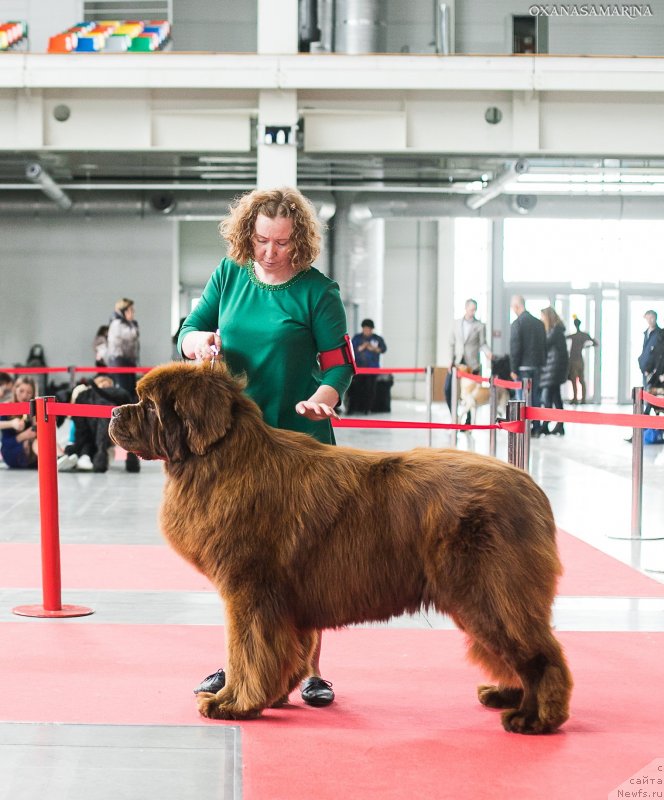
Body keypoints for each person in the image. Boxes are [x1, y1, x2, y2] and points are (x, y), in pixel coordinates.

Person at [177, 186, 355, 707]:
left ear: (298, 241)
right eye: (261, 240)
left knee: (306, 561)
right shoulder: (230, 274)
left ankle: (311, 671)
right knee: (240, 560)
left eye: (280, 243)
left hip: (301, 440)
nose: (269, 252)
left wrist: (325, 394)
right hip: (237, 444)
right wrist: (198, 343)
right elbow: (191, 329)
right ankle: (242, 663)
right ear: (247, 235)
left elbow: (341, 364)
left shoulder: (318, 291)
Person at [57, 375, 138, 473]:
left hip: (101, 440)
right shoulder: (85, 396)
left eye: (109, 387)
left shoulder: (91, 397)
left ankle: (84, 459)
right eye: (103, 385)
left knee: (102, 449)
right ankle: (82, 458)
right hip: (90, 439)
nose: (106, 388)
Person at [446, 298, 493, 423]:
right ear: (466, 308)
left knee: (471, 394)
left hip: (473, 364)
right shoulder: (456, 324)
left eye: (474, 310)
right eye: (471, 309)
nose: (473, 312)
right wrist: (450, 360)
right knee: (448, 388)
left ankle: (468, 422)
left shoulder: (480, 326)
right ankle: (454, 416)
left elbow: (483, 343)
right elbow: (452, 343)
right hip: (458, 362)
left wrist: (488, 352)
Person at [509, 295, 547, 437]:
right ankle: (536, 427)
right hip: (537, 366)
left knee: (522, 399)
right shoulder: (539, 324)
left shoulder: (517, 324)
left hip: (522, 368)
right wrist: (542, 363)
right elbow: (544, 345)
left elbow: (515, 348)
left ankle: (524, 427)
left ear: (517, 306)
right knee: (536, 397)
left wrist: (513, 368)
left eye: (513, 306)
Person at [540, 307, 569, 436]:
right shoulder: (556, 330)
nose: (542, 320)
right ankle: (559, 425)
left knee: (547, 397)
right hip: (553, 370)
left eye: (543, 317)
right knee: (556, 398)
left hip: (553, 370)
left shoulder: (555, 331)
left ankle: (546, 424)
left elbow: (545, 344)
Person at [349, 319, 387, 414]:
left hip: (372, 368)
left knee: (370, 389)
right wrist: (362, 347)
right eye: (365, 329)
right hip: (359, 369)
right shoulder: (357, 338)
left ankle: (367, 409)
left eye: (368, 329)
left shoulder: (377, 339)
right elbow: (351, 350)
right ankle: (355, 408)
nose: (367, 331)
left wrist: (373, 349)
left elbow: (383, 349)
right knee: (356, 388)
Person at [0, 376, 38, 469]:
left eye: (29, 393)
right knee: (31, 443)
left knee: (38, 440)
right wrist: (12, 423)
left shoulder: (33, 407)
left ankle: (60, 457)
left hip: (31, 449)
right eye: (21, 391)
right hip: (10, 449)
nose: (24, 396)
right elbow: (7, 442)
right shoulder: (7, 406)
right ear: (15, 389)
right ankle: (57, 460)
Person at [107, 298, 140, 401]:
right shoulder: (118, 324)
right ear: (124, 311)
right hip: (120, 362)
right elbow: (132, 335)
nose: (133, 312)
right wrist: (134, 325)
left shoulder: (124, 323)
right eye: (131, 310)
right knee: (125, 392)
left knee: (130, 390)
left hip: (127, 361)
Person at [566, 317, 598, 405]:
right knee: (581, 380)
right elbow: (595, 343)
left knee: (574, 379)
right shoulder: (584, 335)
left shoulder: (574, 335)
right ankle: (582, 399)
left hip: (574, 359)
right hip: (579, 359)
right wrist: (586, 346)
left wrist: (585, 347)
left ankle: (576, 399)